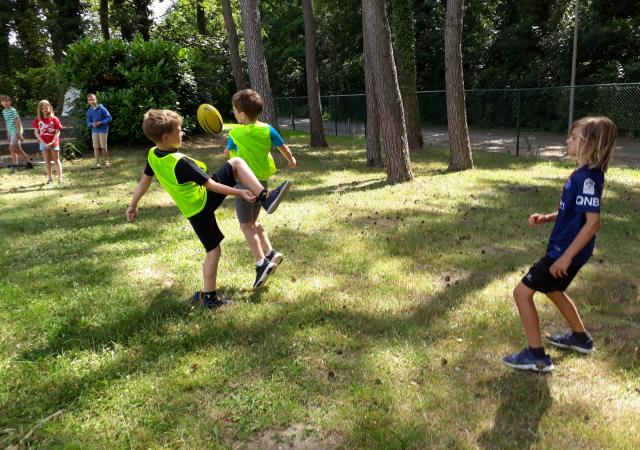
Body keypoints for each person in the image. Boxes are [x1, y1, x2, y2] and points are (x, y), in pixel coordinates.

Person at [126, 109, 291, 308]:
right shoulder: (181, 163)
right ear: (166, 136)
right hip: (204, 200)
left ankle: (210, 297)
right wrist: (239, 192)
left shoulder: (153, 155)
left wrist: (132, 205)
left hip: (193, 212)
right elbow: (211, 185)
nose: (182, 133)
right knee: (236, 162)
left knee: (213, 251)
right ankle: (266, 197)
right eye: (179, 131)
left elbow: (144, 183)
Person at [503, 116, 617, 373]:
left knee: (521, 293)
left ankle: (537, 356)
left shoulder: (588, 179)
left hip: (564, 252)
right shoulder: (582, 174)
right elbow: (572, 212)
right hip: (566, 250)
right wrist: (548, 217)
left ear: (591, 143)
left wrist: (565, 258)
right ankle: (580, 338)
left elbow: (593, 223)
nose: (569, 140)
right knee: (554, 290)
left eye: (574, 137)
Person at [226, 89, 296, 289]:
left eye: (235, 110)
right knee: (254, 221)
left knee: (245, 225)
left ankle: (261, 263)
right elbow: (283, 147)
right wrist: (291, 160)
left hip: (244, 184)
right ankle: (271, 253)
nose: (234, 113)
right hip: (262, 182)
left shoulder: (235, 132)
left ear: (242, 114)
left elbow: (228, 153)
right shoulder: (267, 129)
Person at [33, 100, 63, 184]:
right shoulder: (37, 120)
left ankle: (60, 178)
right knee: (47, 160)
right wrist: (43, 143)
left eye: (47, 107)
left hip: (54, 143)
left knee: (56, 160)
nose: (45, 109)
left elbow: (58, 131)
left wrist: (52, 142)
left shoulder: (54, 119)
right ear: (40, 110)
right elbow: (36, 132)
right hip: (43, 144)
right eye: (43, 108)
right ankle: (49, 178)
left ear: (50, 108)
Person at [1, 95, 33, 172]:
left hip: (17, 130)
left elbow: (17, 122)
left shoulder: (13, 111)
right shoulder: (4, 112)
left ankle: (15, 165)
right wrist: (8, 135)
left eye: (6, 101)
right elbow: (7, 123)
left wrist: (19, 134)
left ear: (10, 102)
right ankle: (28, 163)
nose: (5, 103)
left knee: (11, 147)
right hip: (11, 132)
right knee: (16, 149)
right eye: (3, 101)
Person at [86, 93, 112, 168]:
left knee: (103, 147)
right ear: (88, 101)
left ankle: (106, 161)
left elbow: (109, 118)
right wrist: (91, 124)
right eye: (90, 100)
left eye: (93, 99)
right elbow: (88, 121)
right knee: (95, 147)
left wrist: (101, 122)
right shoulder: (89, 111)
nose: (92, 101)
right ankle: (97, 163)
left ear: (96, 100)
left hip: (103, 130)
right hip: (94, 131)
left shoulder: (102, 109)